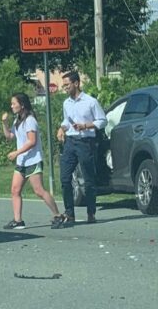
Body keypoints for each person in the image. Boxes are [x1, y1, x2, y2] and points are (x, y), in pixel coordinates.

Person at [0, 93, 62, 229]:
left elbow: (32, 141)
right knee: (15, 190)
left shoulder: (30, 120)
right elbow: (10, 136)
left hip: (33, 160)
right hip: (21, 162)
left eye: (14, 103)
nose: (12, 106)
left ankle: (58, 215)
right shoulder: (18, 120)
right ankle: (18, 220)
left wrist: (16, 152)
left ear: (22, 105)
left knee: (39, 190)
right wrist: (4, 123)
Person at [56, 70, 106, 227]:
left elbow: (102, 120)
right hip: (70, 142)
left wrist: (85, 126)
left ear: (76, 83)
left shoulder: (90, 102)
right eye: (63, 85)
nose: (65, 88)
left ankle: (91, 212)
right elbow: (66, 120)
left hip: (86, 142)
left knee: (88, 178)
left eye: (67, 85)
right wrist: (61, 129)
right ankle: (69, 213)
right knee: (65, 178)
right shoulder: (66, 103)